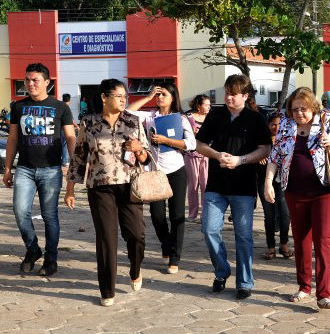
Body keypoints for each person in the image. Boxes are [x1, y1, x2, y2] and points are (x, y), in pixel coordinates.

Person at [265, 87, 330, 309]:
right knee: (301, 240)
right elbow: (275, 155)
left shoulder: (328, 119)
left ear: (313, 107)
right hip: (294, 191)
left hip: (325, 190)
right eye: (294, 109)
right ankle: (304, 287)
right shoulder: (286, 124)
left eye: (303, 109)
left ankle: (323, 294)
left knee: (323, 241)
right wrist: (268, 182)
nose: (299, 113)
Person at [65, 78, 150, 307]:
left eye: (125, 97)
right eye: (119, 96)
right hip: (100, 187)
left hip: (129, 186)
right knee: (106, 239)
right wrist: (70, 189)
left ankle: (135, 268)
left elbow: (145, 157)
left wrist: (139, 149)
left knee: (136, 235)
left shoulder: (133, 121)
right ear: (104, 97)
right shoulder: (89, 123)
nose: (123, 100)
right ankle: (107, 290)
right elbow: (79, 158)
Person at [196, 74, 271, 300]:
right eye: (226, 92)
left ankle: (245, 282)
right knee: (209, 229)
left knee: (244, 236)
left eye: (233, 94)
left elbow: (265, 149)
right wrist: (217, 154)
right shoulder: (215, 115)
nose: (228, 97)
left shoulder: (255, 119)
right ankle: (221, 271)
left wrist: (241, 160)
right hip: (216, 185)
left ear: (245, 96)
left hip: (244, 187)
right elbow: (199, 145)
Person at [3, 63, 76, 277]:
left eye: (35, 80)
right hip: (24, 169)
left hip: (51, 170)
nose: (30, 84)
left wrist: (74, 165)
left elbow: (71, 137)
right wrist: (8, 168)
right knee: (19, 211)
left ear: (47, 82)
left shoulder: (60, 107)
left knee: (49, 216)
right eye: (27, 80)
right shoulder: (18, 107)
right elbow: (13, 138)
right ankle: (33, 249)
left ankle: (51, 259)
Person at [128, 82, 196, 274]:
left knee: (177, 216)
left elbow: (191, 144)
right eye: (157, 95)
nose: (160, 98)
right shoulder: (150, 116)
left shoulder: (181, 119)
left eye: (163, 94)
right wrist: (147, 98)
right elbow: (128, 112)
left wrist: (167, 141)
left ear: (173, 97)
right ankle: (166, 244)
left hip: (177, 171)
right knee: (157, 215)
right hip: (155, 172)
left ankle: (175, 257)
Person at [257, 112, 293, 260]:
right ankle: (270, 247)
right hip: (264, 182)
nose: (276, 127)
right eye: (273, 123)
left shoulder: (287, 140)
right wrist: (260, 156)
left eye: (279, 124)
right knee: (269, 215)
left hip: (283, 182)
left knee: (285, 214)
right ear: (267, 124)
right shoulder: (261, 141)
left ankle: (284, 244)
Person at [184, 94, 211, 222]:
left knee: (205, 185)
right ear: (199, 105)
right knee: (193, 185)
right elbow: (182, 135)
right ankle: (192, 214)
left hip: (206, 155)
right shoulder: (188, 118)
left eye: (209, 105)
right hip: (191, 155)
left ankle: (204, 214)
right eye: (206, 104)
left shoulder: (210, 118)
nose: (209, 107)